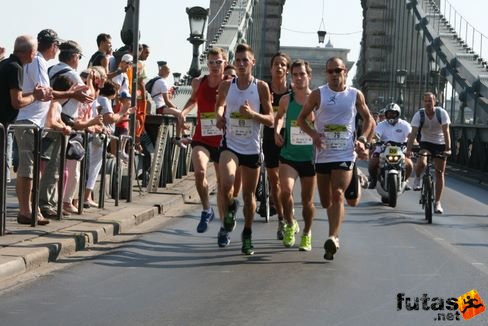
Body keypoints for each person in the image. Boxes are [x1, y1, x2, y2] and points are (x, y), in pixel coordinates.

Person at [297, 57, 374, 260]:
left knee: (338, 194)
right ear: (326, 73)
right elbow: (301, 119)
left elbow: (369, 119)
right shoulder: (318, 94)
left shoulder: (354, 95)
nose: (334, 75)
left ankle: (333, 237)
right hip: (323, 154)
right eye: (330, 71)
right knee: (325, 201)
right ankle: (354, 183)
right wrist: (313, 135)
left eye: (338, 70)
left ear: (345, 71)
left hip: (344, 153)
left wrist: (363, 139)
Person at [215, 43, 274, 255]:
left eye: (244, 61)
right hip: (230, 144)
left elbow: (271, 120)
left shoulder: (261, 87)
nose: (240, 64)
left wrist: (253, 115)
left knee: (249, 196)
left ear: (252, 63)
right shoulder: (225, 86)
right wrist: (219, 115)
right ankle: (230, 207)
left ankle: (247, 233)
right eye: (237, 61)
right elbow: (220, 105)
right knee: (227, 183)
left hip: (252, 148)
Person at [15, 29, 62, 225]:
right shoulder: (39, 61)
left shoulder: (33, 61)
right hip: (29, 121)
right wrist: (71, 93)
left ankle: (29, 210)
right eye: (57, 46)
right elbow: (45, 92)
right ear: (52, 46)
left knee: (28, 168)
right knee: (28, 168)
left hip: (29, 120)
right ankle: (27, 211)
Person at [180, 47, 228, 234]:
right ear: (206, 64)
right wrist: (183, 113)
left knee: (223, 186)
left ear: (225, 62)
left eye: (218, 62)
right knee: (199, 172)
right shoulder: (198, 82)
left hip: (223, 140)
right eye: (211, 62)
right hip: (202, 137)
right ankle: (207, 210)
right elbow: (193, 100)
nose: (215, 66)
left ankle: (224, 226)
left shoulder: (230, 83)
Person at [274, 59, 316, 251]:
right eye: (295, 75)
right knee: (285, 191)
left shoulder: (318, 100)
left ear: (309, 76)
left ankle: (307, 233)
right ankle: (290, 224)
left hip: (310, 157)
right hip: (289, 155)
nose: (298, 78)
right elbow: (279, 116)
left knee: (307, 202)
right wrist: (277, 131)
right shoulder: (286, 99)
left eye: (302, 74)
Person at [0, 35, 46, 186]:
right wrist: (34, 96)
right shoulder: (16, 67)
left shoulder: (6, 63)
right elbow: (17, 102)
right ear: (29, 52)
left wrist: (32, 93)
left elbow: (10, 95)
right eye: (34, 52)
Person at [406, 92, 451, 214]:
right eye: (425, 101)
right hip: (426, 142)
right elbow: (413, 133)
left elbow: (446, 132)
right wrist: (408, 150)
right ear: (423, 102)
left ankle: (437, 203)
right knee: (422, 161)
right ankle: (417, 178)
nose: (427, 103)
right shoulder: (419, 114)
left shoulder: (441, 113)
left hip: (440, 143)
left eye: (430, 101)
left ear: (434, 102)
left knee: (440, 172)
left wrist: (448, 148)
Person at [263, 52, 291, 240]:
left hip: (290, 140)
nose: (279, 67)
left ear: (287, 70)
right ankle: (282, 219)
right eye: (276, 64)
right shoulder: (263, 91)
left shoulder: (293, 92)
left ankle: (289, 218)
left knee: (286, 185)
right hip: (268, 139)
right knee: (275, 183)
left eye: (283, 64)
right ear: (271, 68)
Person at [368, 102, 413, 189]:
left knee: (410, 165)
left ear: (398, 114)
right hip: (383, 149)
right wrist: (374, 140)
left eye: (393, 113)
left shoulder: (405, 125)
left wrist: (413, 145)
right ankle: (373, 179)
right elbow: (375, 135)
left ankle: (404, 181)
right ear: (386, 114)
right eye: (389, 113)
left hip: (401, 150)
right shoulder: (381, 125)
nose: (391, 115)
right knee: (372, 163)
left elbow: (411, 137)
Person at [150, 62, 187, 148]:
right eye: (168, 71)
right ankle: (180, 137)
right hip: (159, 107)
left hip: (157, 105)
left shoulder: (156, 80)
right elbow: (167, 102)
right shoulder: (163, 82)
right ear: (162, 71)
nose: (169, 73)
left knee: (179, 114)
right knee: (180, 113)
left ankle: (183, 135)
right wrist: (175, 108)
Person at [223, 64, 242, 199]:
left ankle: (233, 201)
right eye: (226, 76)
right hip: (227, 142)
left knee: (238, 181)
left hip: (245, 141)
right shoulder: (221, 90)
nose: (229, 78)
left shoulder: (247, 90)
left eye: (233, 76)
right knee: (225, 183)